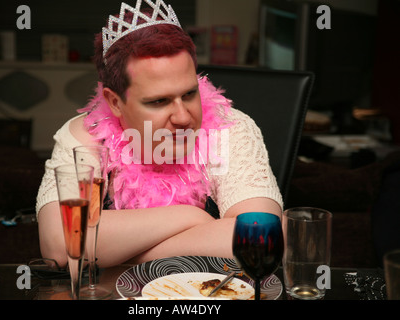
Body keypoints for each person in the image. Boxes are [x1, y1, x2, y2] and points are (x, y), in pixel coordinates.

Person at [36, 0, 283, 268]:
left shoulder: (231, 128)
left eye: (189, 94)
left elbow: (261, 239)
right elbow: (60, 245)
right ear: (116, 103)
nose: (183, 117)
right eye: (159, 101)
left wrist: (115, 252)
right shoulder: (85, 135)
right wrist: (189, 217)